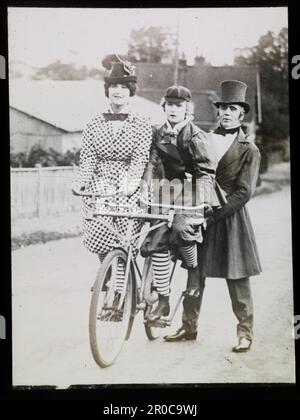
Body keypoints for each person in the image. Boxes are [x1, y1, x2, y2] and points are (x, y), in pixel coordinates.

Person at [164, 80, 262, 352]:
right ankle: (188, 326)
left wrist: (213, 214)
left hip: (230, 220)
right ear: (218, 112)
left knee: (238, 278)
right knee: (194, 272)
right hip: (200, 214)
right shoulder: (203, 139)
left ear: (242, 114)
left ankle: (245, 333)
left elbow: (244, 193)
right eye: (223, 108)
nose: (227, 113)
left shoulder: (249, 149)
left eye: (233, 109)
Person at [141, 85, 224, 322]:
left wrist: (203, 200)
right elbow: (152, 162)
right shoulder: (158, 133)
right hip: (166, 191)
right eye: (170, 105)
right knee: (157, 237)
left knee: (180, 229)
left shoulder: (196, 136)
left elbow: (206, 171)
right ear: (164, 107)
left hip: (193, 192)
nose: (174, 109)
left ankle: (193, 268)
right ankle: (163, 299)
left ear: (188, 109)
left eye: (179, 105)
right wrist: (145, 185)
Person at [78, 54, 152, 289]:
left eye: (123, 87)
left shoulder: (141, 122)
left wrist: (130, 185)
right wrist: (82, 181)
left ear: (131, 91)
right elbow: (88, 157)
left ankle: (119, 290)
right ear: (107, 90)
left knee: (123, 235)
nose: (118, 91)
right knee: (99, 229)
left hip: (130, 182)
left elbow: (140, 157)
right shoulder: (93, 122)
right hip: (100, 182)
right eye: (113, 86)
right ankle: (106, 270)